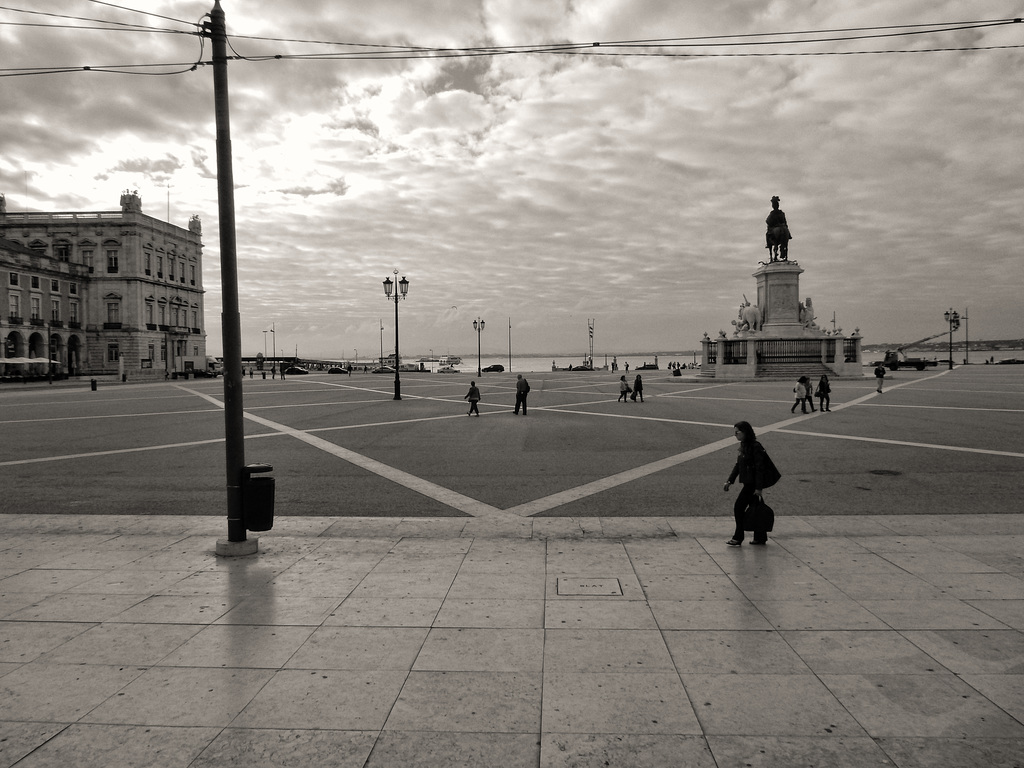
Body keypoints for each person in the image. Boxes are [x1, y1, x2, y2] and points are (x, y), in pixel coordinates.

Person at [724, 421, 770, 546]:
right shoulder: (744, 445)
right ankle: (760, 537)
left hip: (752, 485)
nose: (735, 435)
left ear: (745, 432)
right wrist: (730, 480)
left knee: (739, 508)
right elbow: (738, 465)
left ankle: (738, 537)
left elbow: (760, 468)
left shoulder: (755, 447)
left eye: (737, 432)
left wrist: (759, 487)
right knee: (756, 510)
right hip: (749, 484)